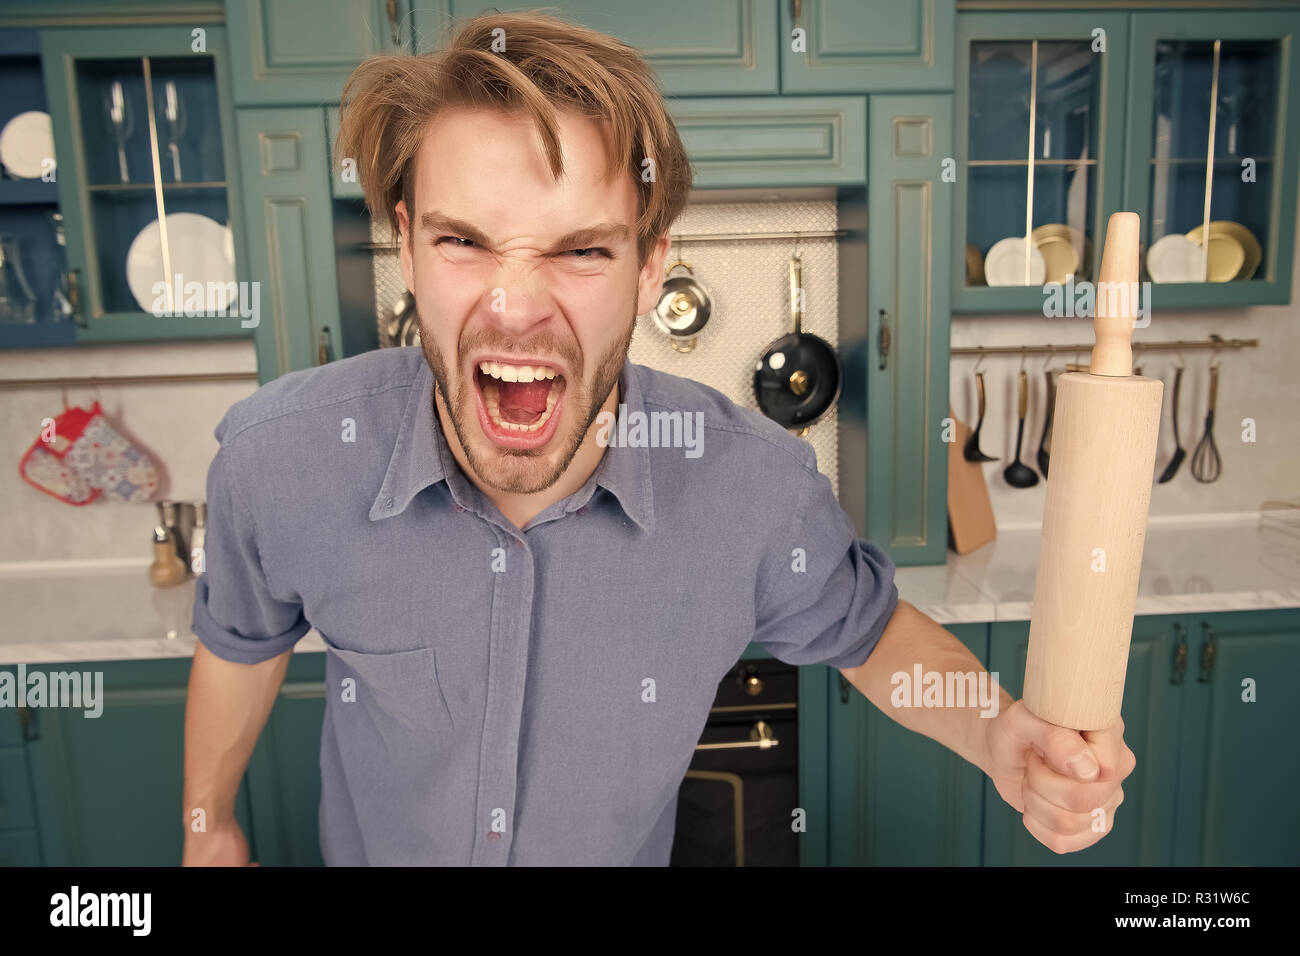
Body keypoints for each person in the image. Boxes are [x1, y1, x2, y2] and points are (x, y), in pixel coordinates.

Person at [182, 11, 1134, 866]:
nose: (514, 310)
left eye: (583, 249)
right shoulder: (283, 463)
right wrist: (210, 824)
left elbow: (872, 632)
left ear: (649, 266)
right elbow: (239, 644)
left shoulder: (753, 491)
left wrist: (997, 731)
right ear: (407, 245)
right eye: (463, 241)